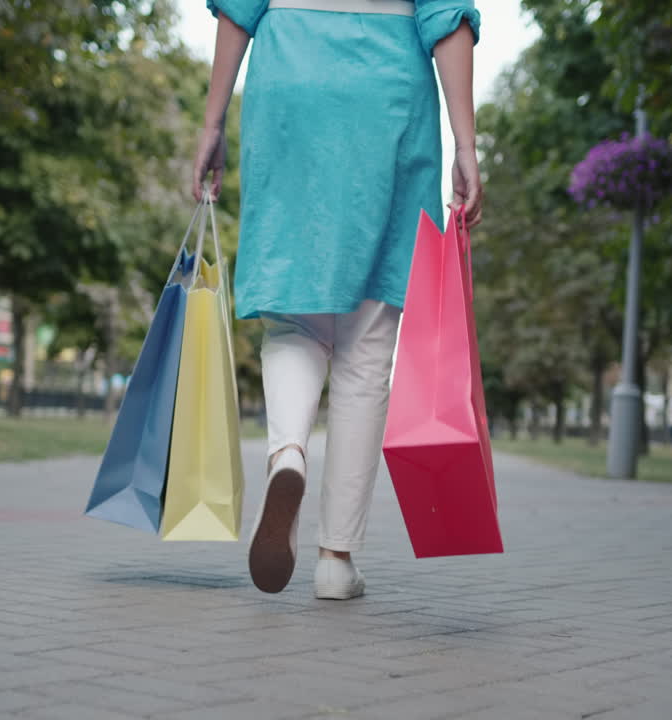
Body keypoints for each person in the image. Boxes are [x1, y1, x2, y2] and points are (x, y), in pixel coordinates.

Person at [193, 0, 483, 599]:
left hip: (290, 80)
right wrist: (466, 144)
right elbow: (448, 16)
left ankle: (288, 453)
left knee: (293, 316)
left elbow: (238, 12)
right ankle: (335, 560)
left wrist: (212, 124)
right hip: (388, 90)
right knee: (368, 343)